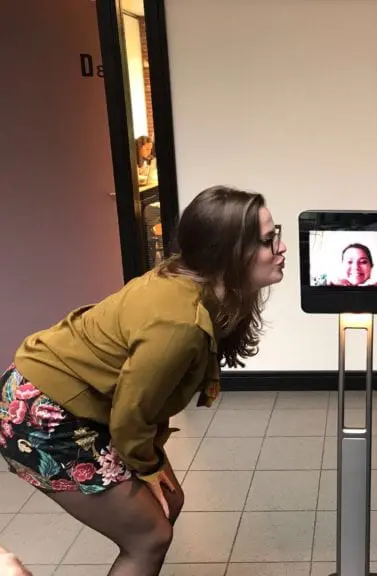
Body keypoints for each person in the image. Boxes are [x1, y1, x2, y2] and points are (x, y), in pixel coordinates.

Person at [0, 186, 286, 575]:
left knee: (169, 501)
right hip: (42, 411)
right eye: (268, 240)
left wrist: (149, 465)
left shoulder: (198, 284)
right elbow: (131, 415)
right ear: (229, 254)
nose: (281, 247)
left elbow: (142, 403)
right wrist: (145, 466)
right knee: (149, 537)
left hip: (83, 400)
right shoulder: (179, 323)